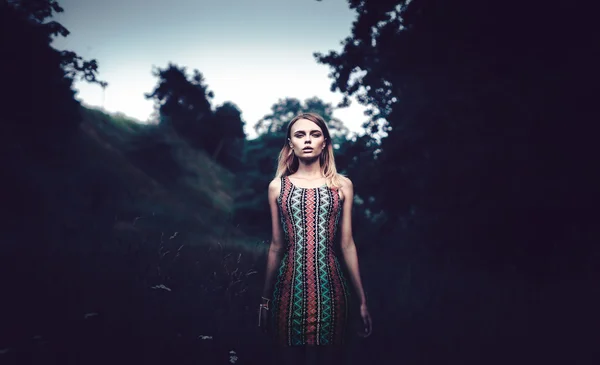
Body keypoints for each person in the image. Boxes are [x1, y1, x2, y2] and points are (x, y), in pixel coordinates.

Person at [259, 113, 372, 365]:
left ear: (325, 141)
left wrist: (362, 300)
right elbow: (276, 246)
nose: (307, 140)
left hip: (332, 293)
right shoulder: (278, 186)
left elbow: (346, 244)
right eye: (300, 135)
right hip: (288, 293)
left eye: (315, 134)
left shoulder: (342, 185)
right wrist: (265, 302)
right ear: (290, 143)